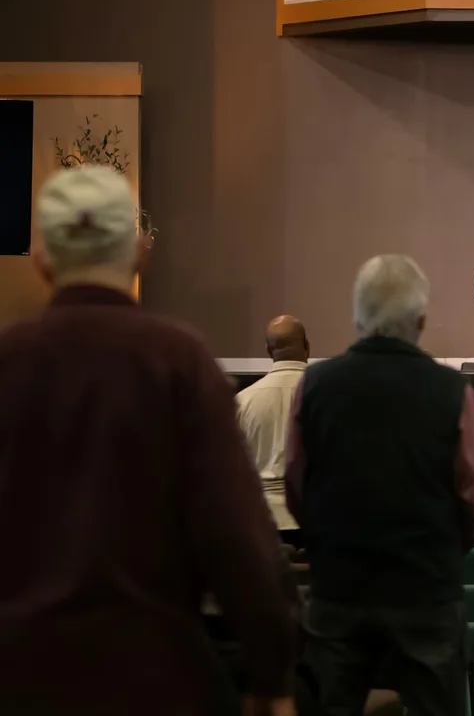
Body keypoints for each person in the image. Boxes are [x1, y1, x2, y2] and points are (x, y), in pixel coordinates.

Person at [0, 167, 295, 716]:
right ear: (139, 252)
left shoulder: (8, 362)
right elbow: (237, 537)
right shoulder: (178, 361)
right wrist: (272, 678)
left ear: (41, 258)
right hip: (153, 676)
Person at [287, 254, 474, 716]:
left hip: (339, 588)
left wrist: (327, 542)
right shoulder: (451, 390)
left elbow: (296, 483)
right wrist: (443, 548)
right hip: (427, 587)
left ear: (357, 318)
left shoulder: (315, 384)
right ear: (420, 322)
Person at [237, 315, 310, 537]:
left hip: (261, 521)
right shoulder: (327, 396)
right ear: (307, 346)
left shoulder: (242, 401)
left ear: (268, 351)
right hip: (312, 519)